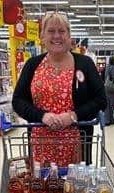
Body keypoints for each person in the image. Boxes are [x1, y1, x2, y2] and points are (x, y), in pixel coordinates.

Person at [12, 12, 106, 166]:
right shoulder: (32, 65)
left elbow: (101, 100)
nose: (57, 36)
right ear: (42, 36)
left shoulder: (85, 63)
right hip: (40, 144)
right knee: (41, 186)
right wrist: (42, 116)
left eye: (62, 31)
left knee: (74, 188)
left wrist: (73, 116)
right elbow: (18, 100)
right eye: (51, 31)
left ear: (69, 36)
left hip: (77, 144)